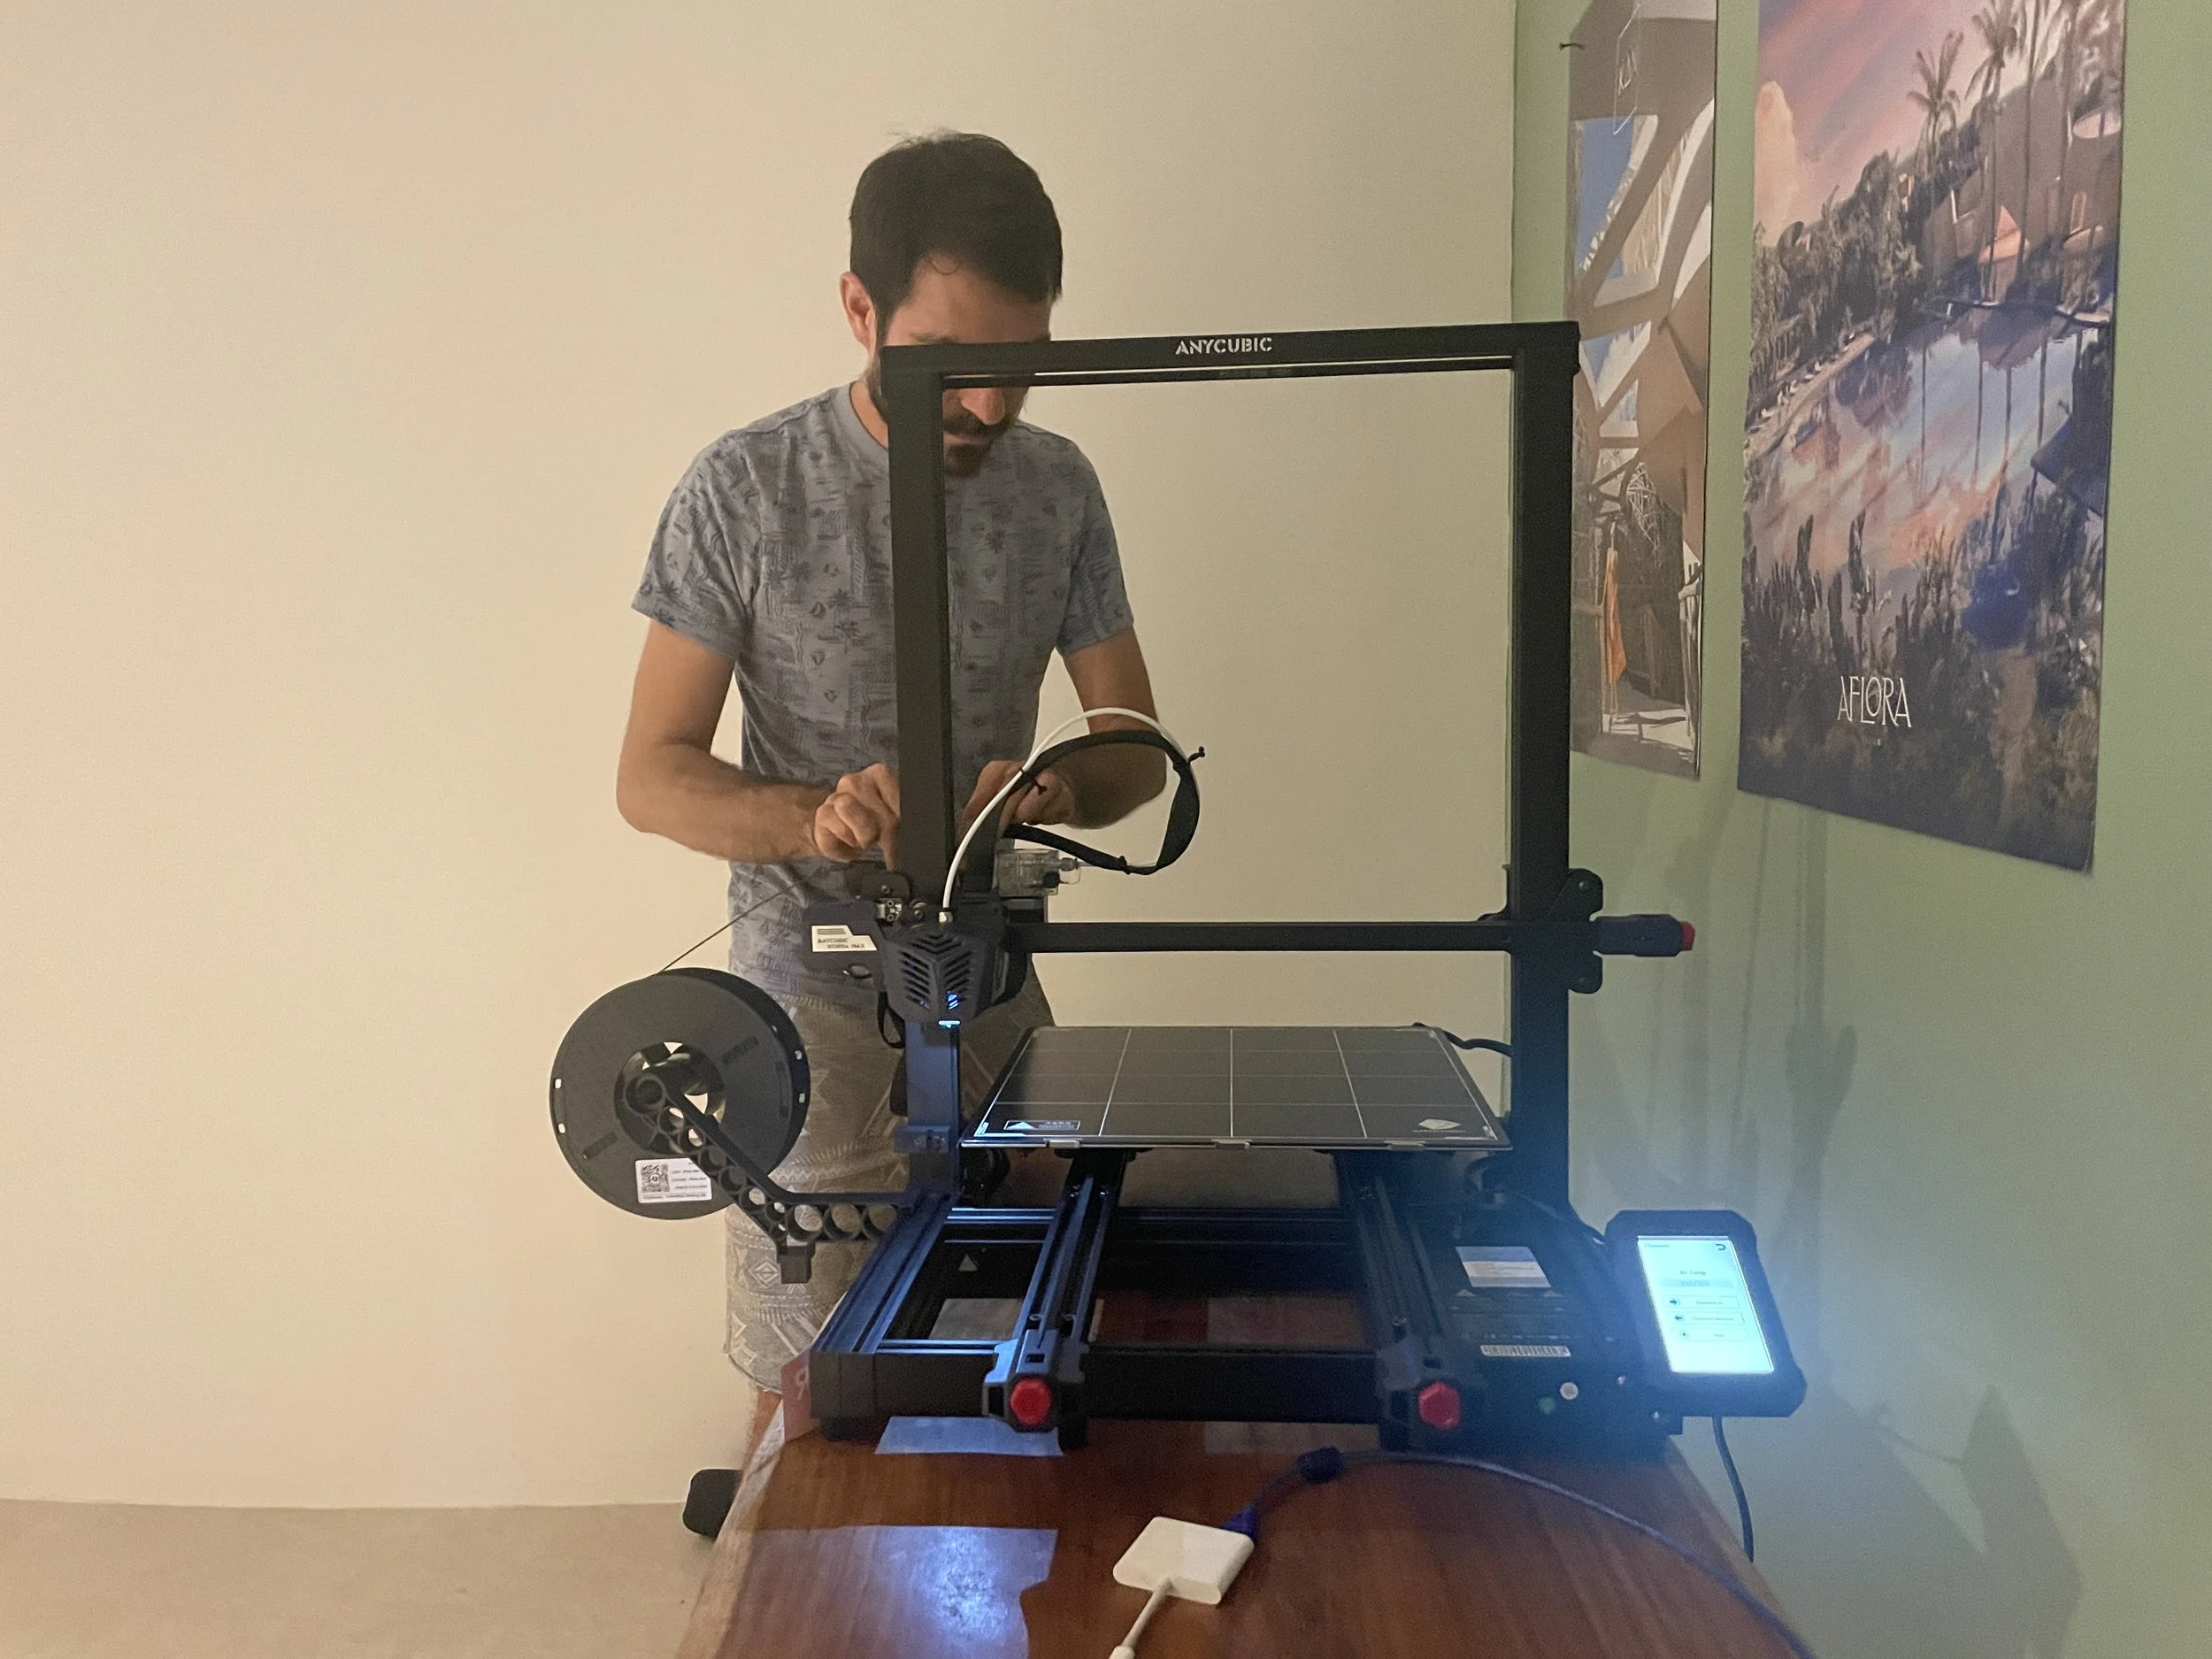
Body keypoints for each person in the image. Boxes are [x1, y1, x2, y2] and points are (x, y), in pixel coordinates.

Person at [615, 131, 1167, 1393]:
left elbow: (1132, 744)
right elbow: (649, 774)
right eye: (952, 367)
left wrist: (1055, 791)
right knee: (815, 1398)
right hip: (811, 1006)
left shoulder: (1058, 486)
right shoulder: (744, 488)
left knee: (1040, 1343)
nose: (987, 405)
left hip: (998, 979)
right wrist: (817, 816)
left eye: (1021, 366)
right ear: (858, 308)